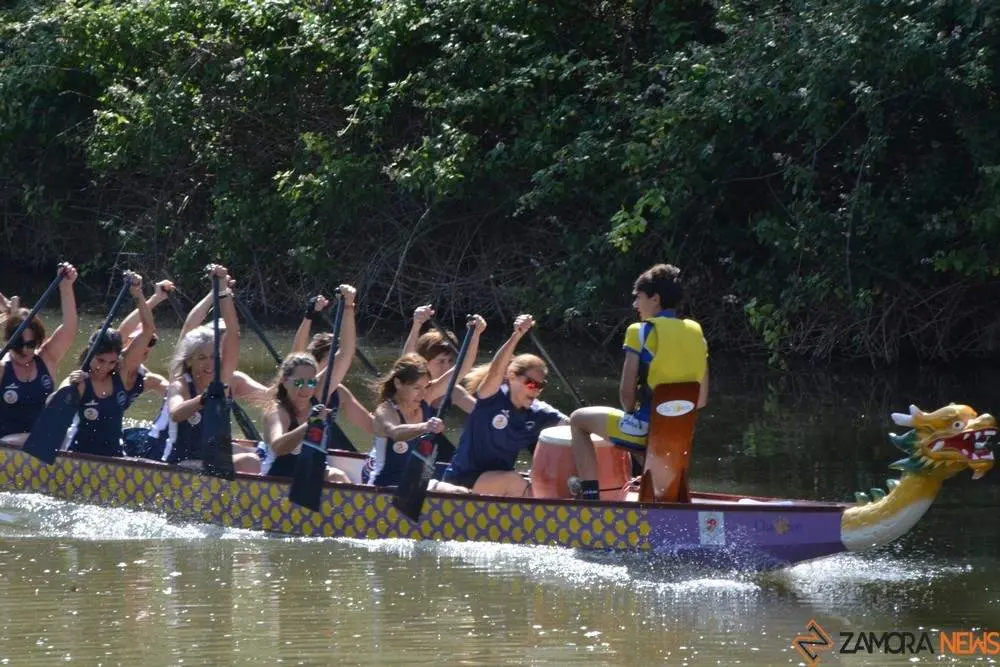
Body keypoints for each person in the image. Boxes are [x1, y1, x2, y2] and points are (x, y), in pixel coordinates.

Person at [568, 264, 708, 499]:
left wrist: (632, 414)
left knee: (578, 420)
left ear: (655, 299)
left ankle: (590, 499)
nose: (635, 305)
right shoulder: (696, 333)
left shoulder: (639, 332)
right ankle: (661, 494)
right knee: (646, 442)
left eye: (639, 297)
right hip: (680, 434)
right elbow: (701, 399)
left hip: (645, 431)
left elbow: (626, 396)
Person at [443, 314, 568, 496]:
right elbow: (496, 371)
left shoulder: (539, 412)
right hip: (464, 480)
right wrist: (516, 335)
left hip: (497, 484)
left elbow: (571, 426)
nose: (535, 390)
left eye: (541, 387)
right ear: (512, 377)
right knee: (513, 481)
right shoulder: (492, 397)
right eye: (531, 384)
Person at [363, 323, 482, 490]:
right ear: (398, 384)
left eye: (426, 387)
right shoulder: (385, 410)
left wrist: (476, 333)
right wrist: (425, 426)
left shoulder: (425, 397)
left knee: (460, 493)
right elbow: (395, 432)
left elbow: (462, 368)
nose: (422, 394)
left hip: (415, 483)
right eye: (416, 388)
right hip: (384, 486)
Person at [161, 265, 256, 471]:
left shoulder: (224, 377)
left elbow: (234, 333)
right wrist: (203, 399)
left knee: (257, 453)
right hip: (180, 462)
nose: (209, 364)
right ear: (190, 361)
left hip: (210, 456)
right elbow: (176, 413)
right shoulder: (180, 383)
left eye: (214, 357)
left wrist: (222, 291)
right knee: (251, 462)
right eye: (202, 358)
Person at [63, 271, 155, 457]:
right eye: (100, 360)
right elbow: (50, 406)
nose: (105, 367)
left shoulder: (120, 372)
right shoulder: (80, 381)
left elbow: (148, 330)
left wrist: (138, 294)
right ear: (90, 354)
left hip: (114, 457)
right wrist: (67, 389)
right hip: (77, 457)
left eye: (111, 362)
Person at [0, 263, 78, 446]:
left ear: (38, 341)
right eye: (18, 344)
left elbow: (69, 329)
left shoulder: (46, 359)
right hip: (6, 447)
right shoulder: (3, 368)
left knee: (66, 433)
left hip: (41, 444)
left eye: (31, 344)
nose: (25, 350)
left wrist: (66, 287)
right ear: (9, 340)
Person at [259, 353, 352, 483]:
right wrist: (310, 424)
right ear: (285, 382)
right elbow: (278, 447)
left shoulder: (315, 403)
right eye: (299, 382)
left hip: (306, 475)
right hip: (278, 479)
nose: (306, 389)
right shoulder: (277, 411)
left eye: (311, 382)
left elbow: (345, 354)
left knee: (338, 476)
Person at [291, 290, 372, 437]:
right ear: (315, 361)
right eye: (332, 359)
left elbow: (372, 426)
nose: (336, 365)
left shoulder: (339, 392)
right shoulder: (302, 386)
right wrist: (309, 316)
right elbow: (296, 356)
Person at [402, 304, 475, 413]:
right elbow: (407, 360)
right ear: (423, 362)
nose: (447, 367)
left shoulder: (453, 391)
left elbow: (483, 413)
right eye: (441, 361)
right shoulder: (411, 387)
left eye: (450, 361)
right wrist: (417, 324)